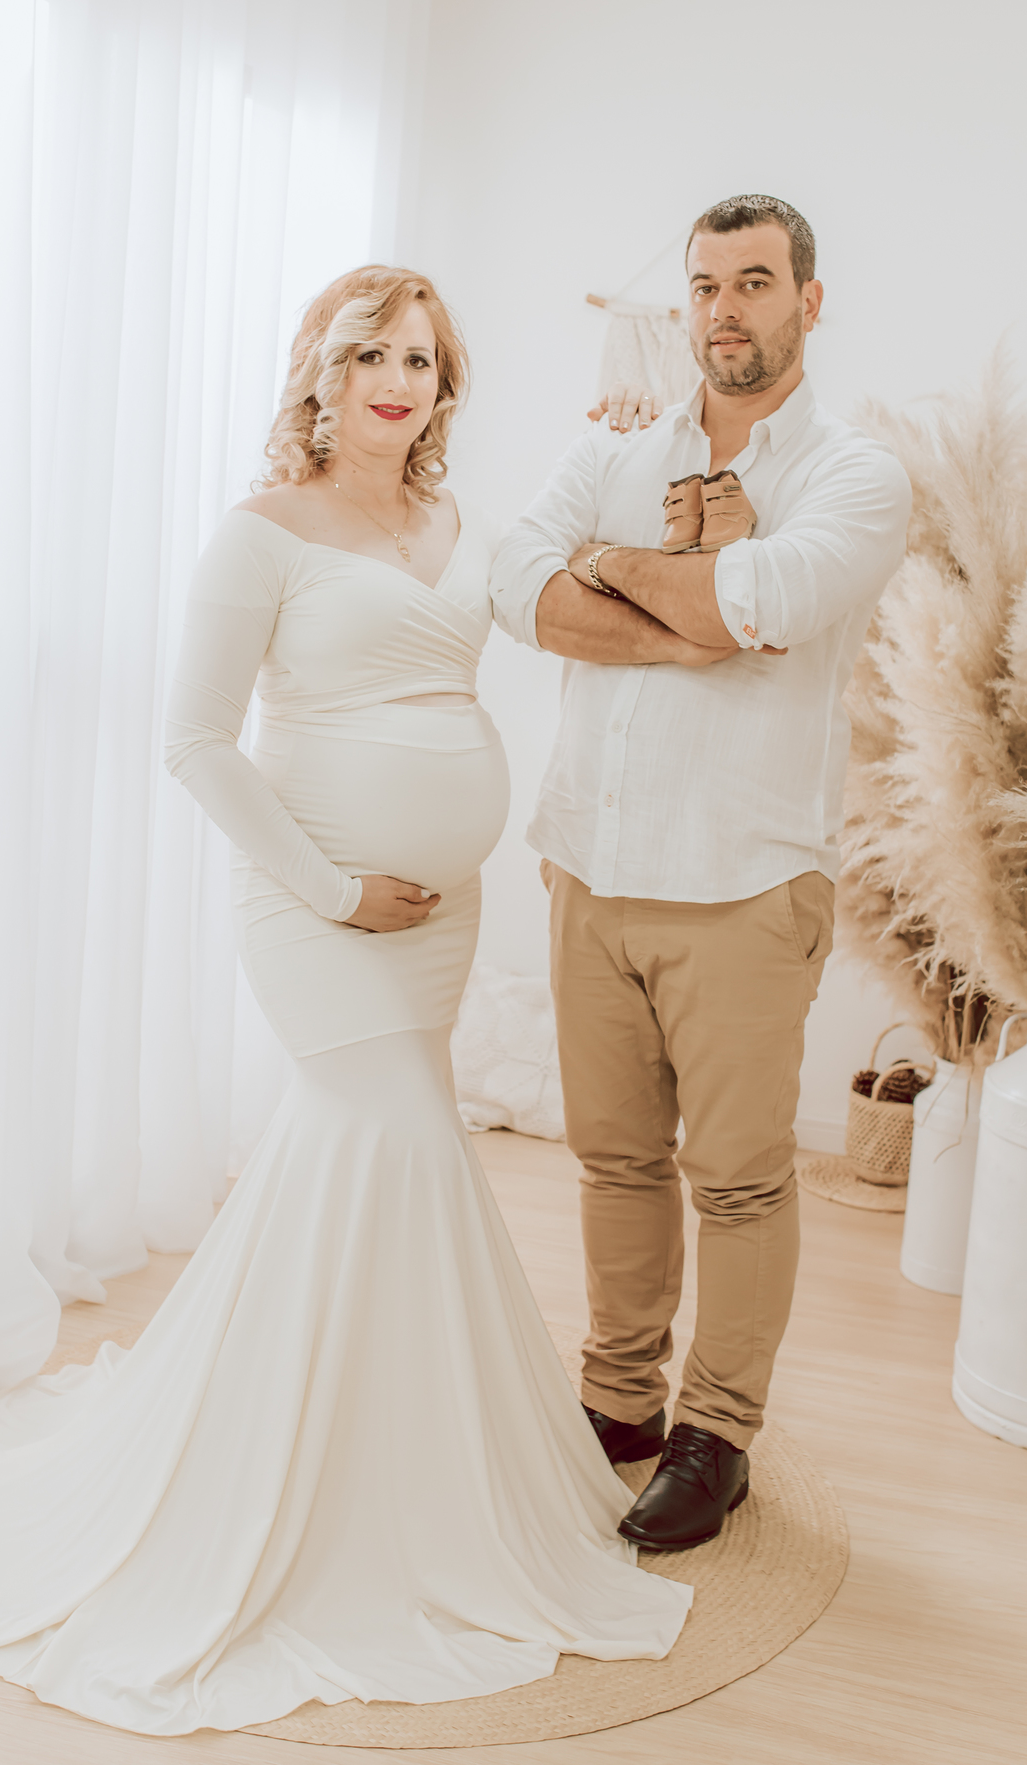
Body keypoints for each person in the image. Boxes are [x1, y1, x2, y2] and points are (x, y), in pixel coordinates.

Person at [0, 265, 691, 1736]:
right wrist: (333, 889)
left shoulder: (458, 526)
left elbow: (579, 590)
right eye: (369, 352)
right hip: (317, 911)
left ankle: (395, 1460)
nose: (395, 380)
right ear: (320, 371)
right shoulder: (261, 532)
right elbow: (195, 742)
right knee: (393, 1146)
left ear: (446, 389)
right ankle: (308, 1490)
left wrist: (635, 458)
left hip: (436, 918)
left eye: (422, 360)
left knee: (384, 1165)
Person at [492, 196, 912, 1553]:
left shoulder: (858, 476)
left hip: (743, 884)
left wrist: (612, 573)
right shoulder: (613, 447)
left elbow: (763, 602)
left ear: (809, 301)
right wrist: (681, 601)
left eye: (756, 282)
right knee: (614, 1159)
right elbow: (512, 581)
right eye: (706, 284)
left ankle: (714, 1436)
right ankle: (619, 1402)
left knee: (736, 1178)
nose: (726, 309)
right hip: (589, 864)